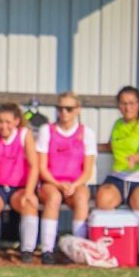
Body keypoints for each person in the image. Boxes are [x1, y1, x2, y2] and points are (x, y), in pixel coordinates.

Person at [96, 86, 139, 265]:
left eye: (131, 103)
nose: (127, 107)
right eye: (123, 103)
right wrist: (88, 146)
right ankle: (110, 248)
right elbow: (110, 147)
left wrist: (135, 158)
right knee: (103, 198)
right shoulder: (118, 124)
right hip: (117, 178)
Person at [36, 91, 96, 265]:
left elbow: (87, 170)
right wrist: (58, 184)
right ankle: (47, 249)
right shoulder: (47, 130)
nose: (64, 113)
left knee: (82, 197)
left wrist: (74, 184)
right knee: (53, 198)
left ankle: (78, 249)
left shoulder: (87, 133)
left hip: (75, 183)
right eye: (60, 108)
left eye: (69, 109)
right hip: (51, 182)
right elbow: (42, 167)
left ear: (78, 110)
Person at [0, 103, 40, 263]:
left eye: (8, 122)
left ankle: (27, 250)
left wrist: (29, 192)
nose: (3, 126)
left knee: (29, 205)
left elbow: (34, 166)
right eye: (0, 121)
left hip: (19, 187)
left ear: (17, 121)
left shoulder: (25, 135)